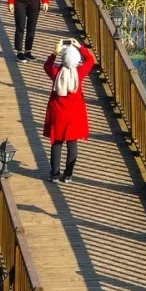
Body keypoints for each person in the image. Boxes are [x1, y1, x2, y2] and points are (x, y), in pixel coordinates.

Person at [43, 38, 95, 183]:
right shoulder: (79, 73)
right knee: (72, 143)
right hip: (74, 114)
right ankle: (68, 175)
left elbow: (47, 65)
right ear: (76, 60)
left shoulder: (56, 73)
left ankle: (54, 174)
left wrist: (55, 52)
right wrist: (81, 47)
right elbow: (90, 61)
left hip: (57, 113)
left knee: (56, 142)